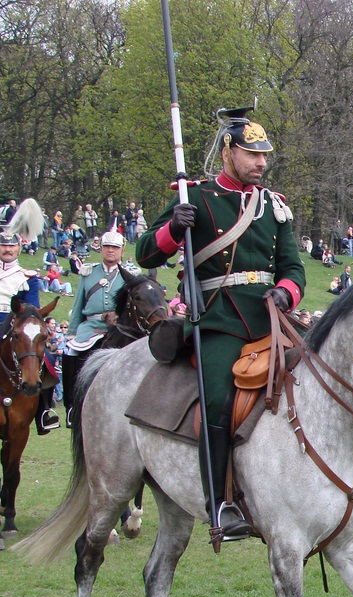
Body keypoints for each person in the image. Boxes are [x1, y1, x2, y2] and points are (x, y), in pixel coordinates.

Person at [136, 105, 306, 543]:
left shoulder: (273, 206)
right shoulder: (194, 196)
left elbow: (293, 268)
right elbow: (145, 253)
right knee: (218, 401)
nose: (261, 162)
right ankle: (221, 503)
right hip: (219, 317)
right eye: (252, 154)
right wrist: (174, 229)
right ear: (228, 152)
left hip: (270, 317)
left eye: (264, 155)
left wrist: (285, 292)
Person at [0, 217, 61, 434]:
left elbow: (32, 310)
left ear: (19, 247)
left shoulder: (28, 277)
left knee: (47, 360)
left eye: (12, 246)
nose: (7, 249)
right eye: (3, 245)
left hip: (16, 330)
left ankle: (43, 412)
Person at [63, 230, 134, 428]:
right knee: (69, 352)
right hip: (90, 327)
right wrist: (72, 332)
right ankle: (71, 406)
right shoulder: (88, 272)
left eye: (115, 247)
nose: (111, 250)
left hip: (119, 329)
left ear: (122, 250)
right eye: (107, 247)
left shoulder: (130, 275)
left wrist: (118, 316)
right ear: (101, 249)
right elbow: (78, 303)